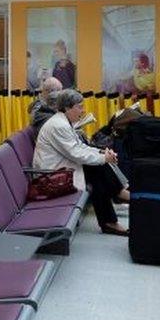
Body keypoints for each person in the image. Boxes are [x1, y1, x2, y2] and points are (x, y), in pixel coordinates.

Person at [33, 89, 129, 236]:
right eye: (79, 106)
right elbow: (76, 153)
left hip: (61, 169)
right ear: (67, 108)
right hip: (51, 177)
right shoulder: (59, 126)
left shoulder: (63, 122)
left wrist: (101, 153)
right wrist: (104, 158)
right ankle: (116, 200)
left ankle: (113, 210)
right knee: (98, 172)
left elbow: (79, 147)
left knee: (98, 173)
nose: (82, 110)